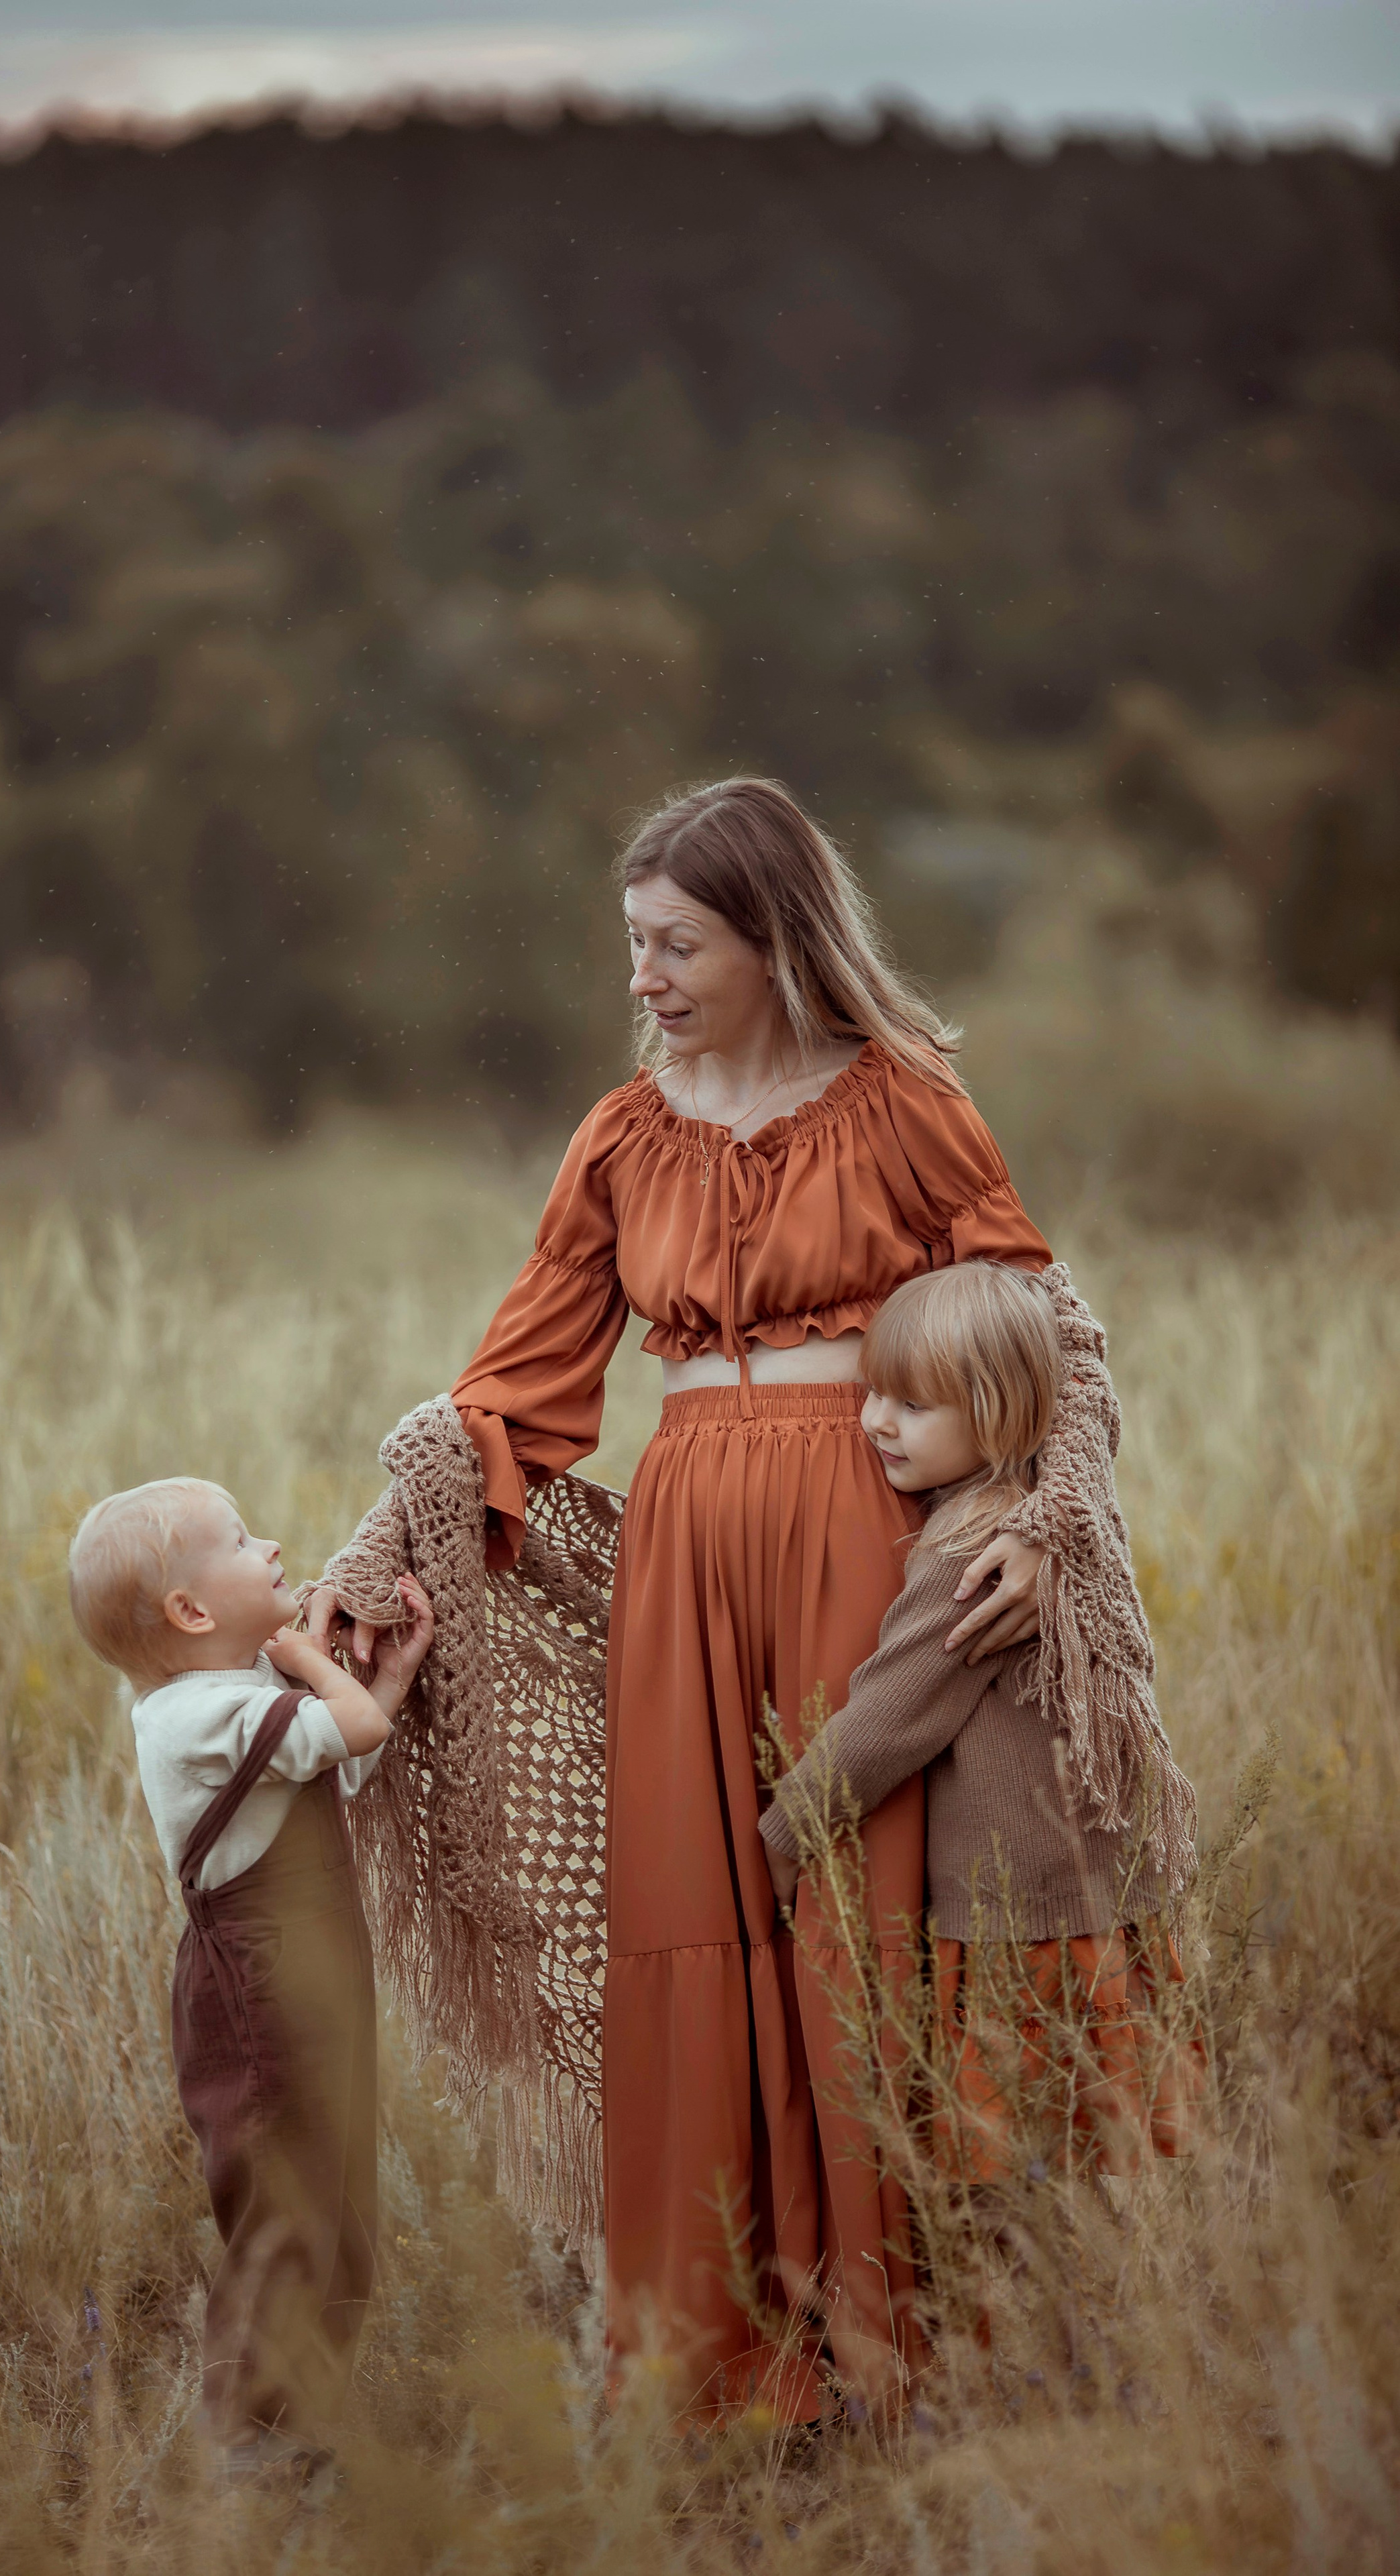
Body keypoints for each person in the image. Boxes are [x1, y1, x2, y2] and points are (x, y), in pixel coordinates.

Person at [310, 777, 1063, 2418]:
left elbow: (1031, 1319)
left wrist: (1044, 1509)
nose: (640, 977)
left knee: (851, 1909)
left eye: (673, 945)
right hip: (683, 1552)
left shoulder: (902, 1101)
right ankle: (722, 2358)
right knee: (691, 1914)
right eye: (630, 945)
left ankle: (895, 2345)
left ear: (770, 939)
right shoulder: (621, 1136)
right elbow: (510, 1384)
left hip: (859, 1528)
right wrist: (383, 1544)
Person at [759, 1265, 1198, 2189]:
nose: (875, 1420)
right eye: (873, 1390)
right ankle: (1096, 2309)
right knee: (1100, 2163)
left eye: (912, 1405)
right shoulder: (1052, 1514)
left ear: (999, 1416)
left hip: (1021, 1923)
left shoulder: (972, 1553)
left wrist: (783, 1833)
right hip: (1097, 1898)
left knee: (1013, 2174)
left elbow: (888, 1719)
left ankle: (1035, 2319)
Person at [67, 1475, 433, 2469]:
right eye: (240, 1541)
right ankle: (245, 2444)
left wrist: (385, 1677)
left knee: (343, 2195)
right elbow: (346, 1730)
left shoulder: (242, 1696)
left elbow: (345, 1755)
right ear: (192, 1612)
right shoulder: (188, 1717)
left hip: (313, 1973)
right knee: (285, 2207)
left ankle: (302, 2421)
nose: (270, 1546)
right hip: (257, 1990)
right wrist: (317, 1659)